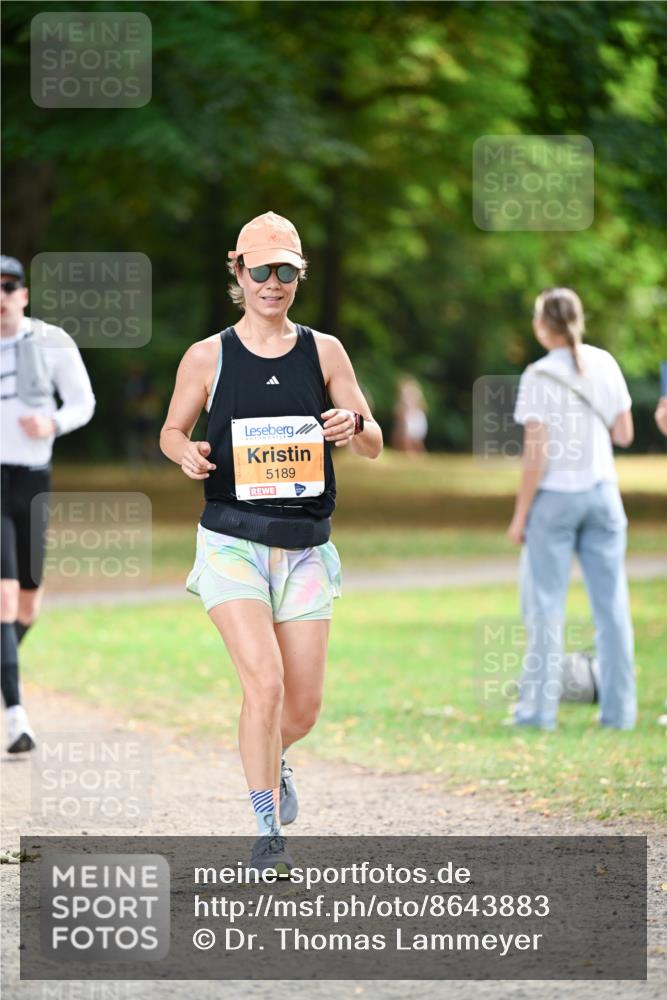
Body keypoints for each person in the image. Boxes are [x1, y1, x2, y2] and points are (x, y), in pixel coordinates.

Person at [160, 212, 382, 873]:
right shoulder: (208, 355)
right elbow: (171, 431)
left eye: (286, 270)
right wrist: (185, 454)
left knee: (302, 707)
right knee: (264, 685)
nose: (273, 282)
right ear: (238, 272)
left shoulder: (325, 351)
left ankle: (272, 755)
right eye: (261, 270)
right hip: (230, 543)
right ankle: (266, 832)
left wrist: (354, 421)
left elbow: (371, 442)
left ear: (298, 276)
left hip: (306, 547)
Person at [507, 287, 635, 730]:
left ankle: (537, 714)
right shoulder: (605, 362)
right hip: (603, 494)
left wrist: (520, 516)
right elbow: (624, 434)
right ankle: (620, 714)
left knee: (546, 608)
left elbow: (535, 457)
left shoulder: (538, 375)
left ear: (543, 325)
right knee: (613, 606)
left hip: (556, 501)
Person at [1, 254, 95, 752]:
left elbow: (84, 402)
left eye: (8, 286)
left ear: (24, 294)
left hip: (34, 477)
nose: (0, 296)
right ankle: (17, 717)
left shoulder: (51, 342)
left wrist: (53, 423)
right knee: (5, 595)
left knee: (30, 601)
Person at [391, 375, 428, 453]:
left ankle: (412, 454)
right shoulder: (410, 396)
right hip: (410, 420)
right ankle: (409, 453)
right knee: (409, 439)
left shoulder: (411, 395)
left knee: (413, 440)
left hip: (413, 419)